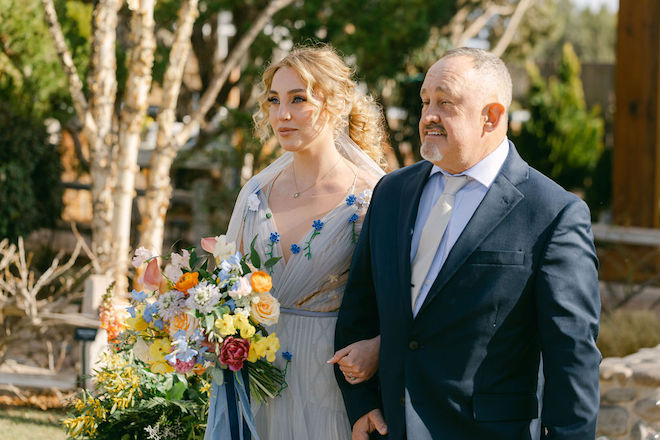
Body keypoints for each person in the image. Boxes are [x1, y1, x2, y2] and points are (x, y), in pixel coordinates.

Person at [334, 47, 601, 440]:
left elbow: (573, 357)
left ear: (491, 116)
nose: (428, 117)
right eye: (426, 102)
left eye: (446, 103)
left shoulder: (553, 214)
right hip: (391, 425)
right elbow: (360, 306)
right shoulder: (392, 191)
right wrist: (363, 404)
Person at [205, 45, 387, 440]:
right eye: (274, 100)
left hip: (328, 381)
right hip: (253, 375)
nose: (281, 114)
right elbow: (225, 287)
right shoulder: (255, 192)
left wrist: (378, 346)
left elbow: (398, 300)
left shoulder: (372, 197)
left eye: (298, 99)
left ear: (335, 103)